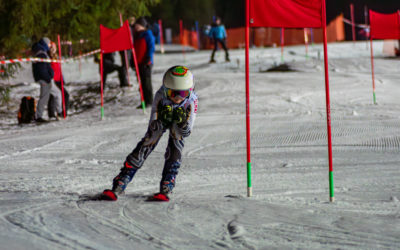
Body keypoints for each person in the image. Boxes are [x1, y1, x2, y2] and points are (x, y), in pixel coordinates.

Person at [102, 65, 198, 201]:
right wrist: (159, 121)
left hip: (179, 122)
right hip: (162, 118)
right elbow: (152, 126)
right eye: (172, 93)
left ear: (190, 91)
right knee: (148, 141)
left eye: (182, 94)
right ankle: (121, 181)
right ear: (166, 90)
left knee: (176, 142)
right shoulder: (160, 95)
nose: (177, 98)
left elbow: (187, 132)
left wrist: (182, 123)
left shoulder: (192, 100)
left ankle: (167, 184)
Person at [32, 37, 62, 123]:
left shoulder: (42, 52)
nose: (49, 46)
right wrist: (48, 77)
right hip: (44, 79)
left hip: (46, 78)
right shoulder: (41, 53)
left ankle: (59, 113)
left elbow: (46, 67)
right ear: (45, 44)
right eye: (49, 44)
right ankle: (38, 116)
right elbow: (42, 69)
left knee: (56, 94)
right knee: (44, 97)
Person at [133, 17, 155, 108]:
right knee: (141, 82)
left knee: (146, 82)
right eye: (135, 26)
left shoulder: (148, 34)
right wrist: (132, 61)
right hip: (138, 62)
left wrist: (148, 57)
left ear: (143, 26)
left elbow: (151, 47)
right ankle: (144, 101)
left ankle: (149, 101)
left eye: (138, 26)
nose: (136, 27)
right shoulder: (136, 35)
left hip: (146, 62)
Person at [48, 42, 70, 118]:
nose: (53, 49)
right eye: (51, 48)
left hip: (58, 80)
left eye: (54, 47)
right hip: (53, 80)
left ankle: (53, 114)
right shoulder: (48, 57)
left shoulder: (56, 57)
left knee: (54, 96)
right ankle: (61, 113)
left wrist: (62, 78)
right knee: (63, 95)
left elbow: (59, 69)